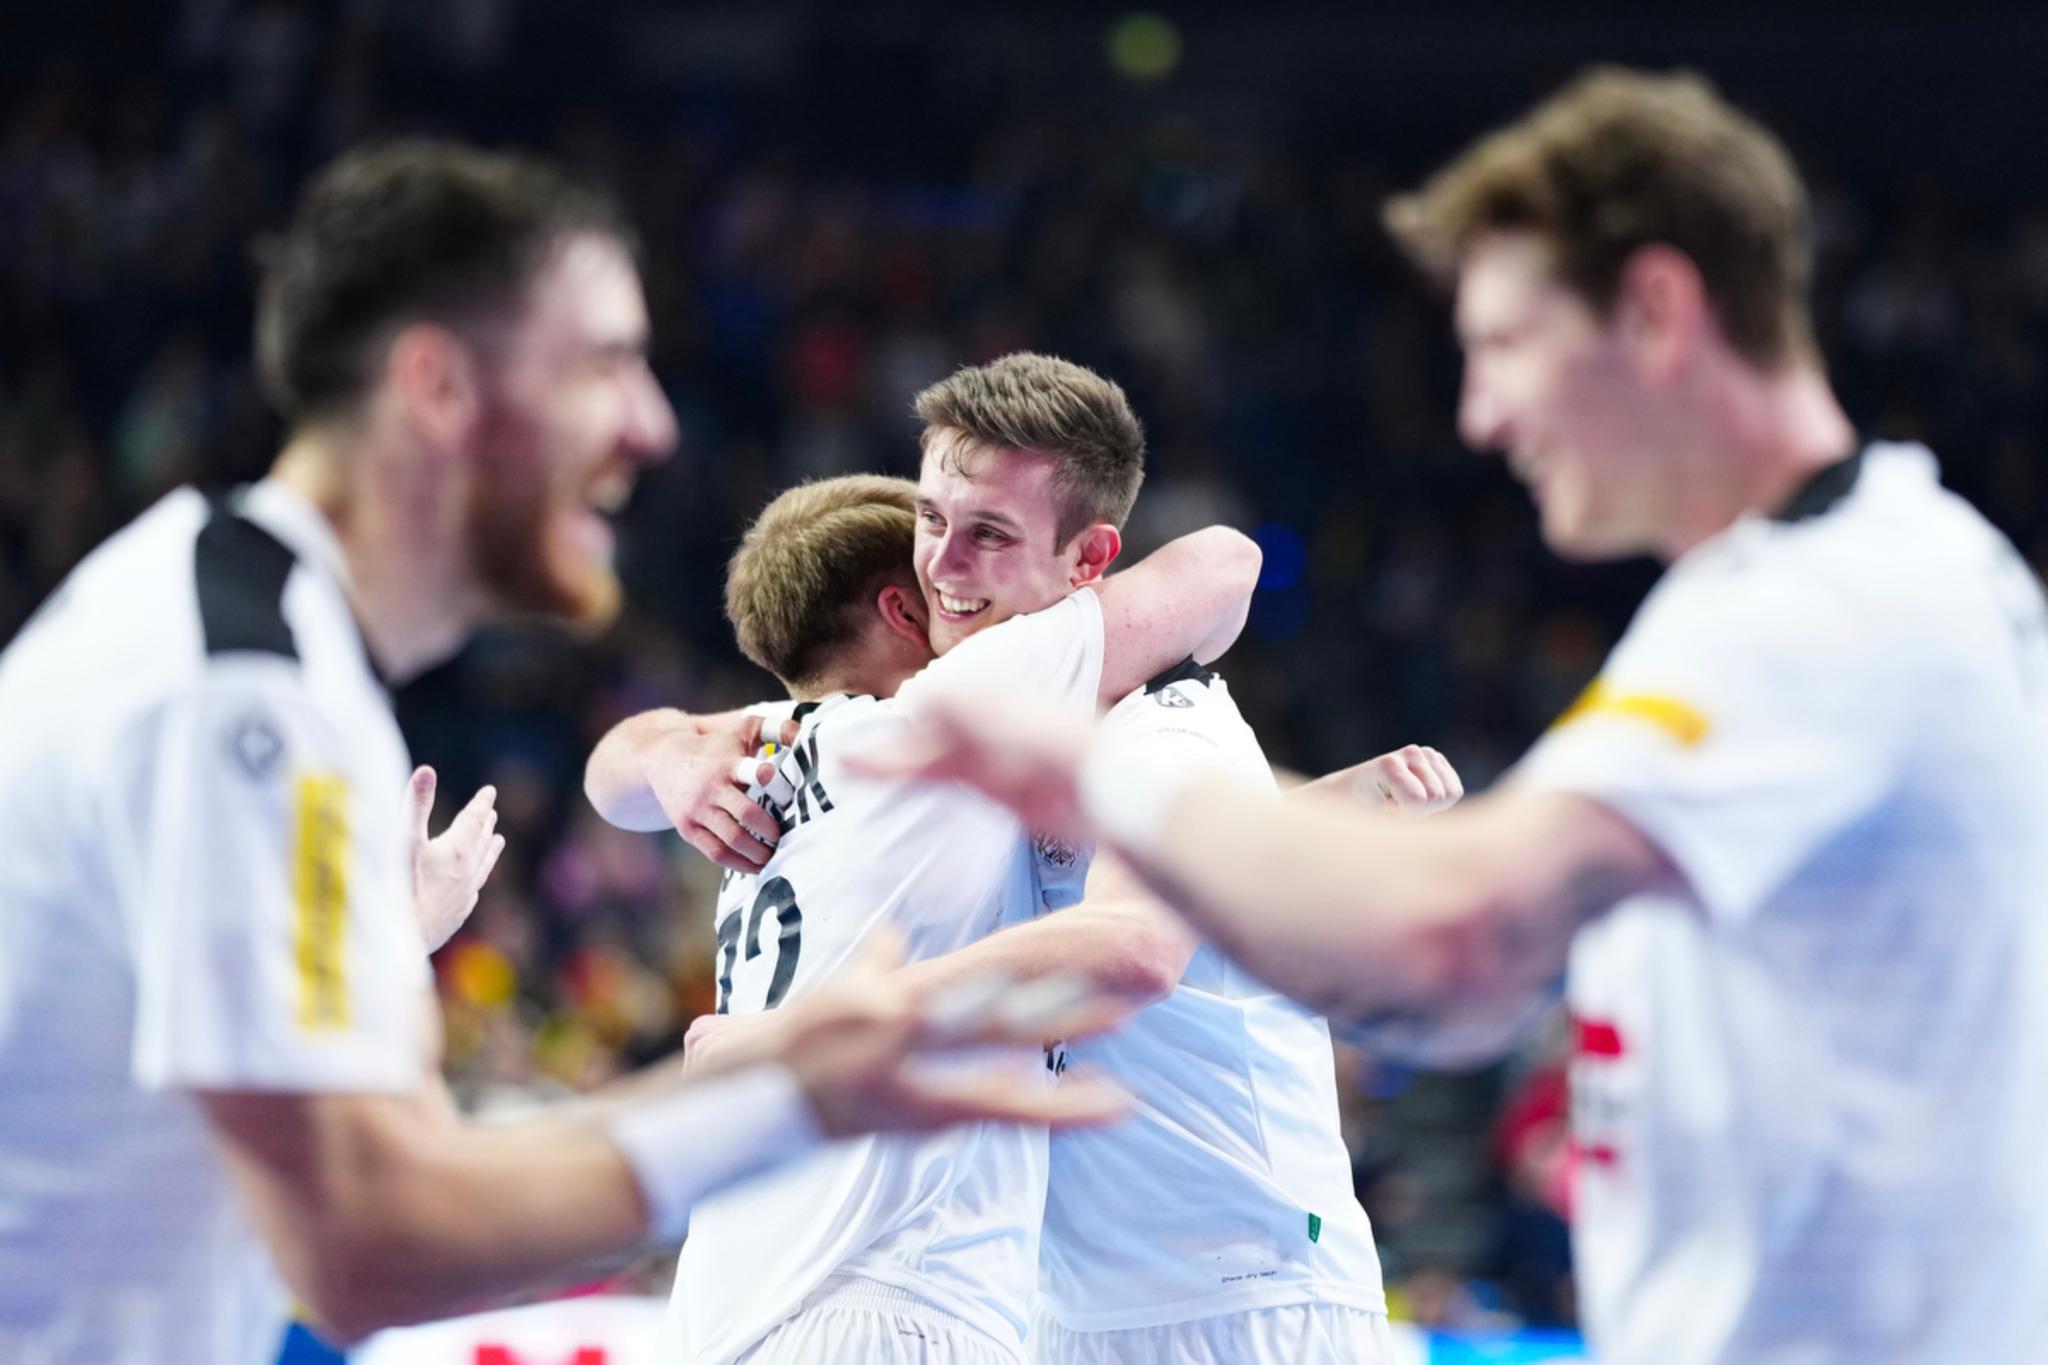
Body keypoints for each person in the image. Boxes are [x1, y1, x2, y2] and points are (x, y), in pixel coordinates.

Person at [858, 69, 2048, 1364]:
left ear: (1655, 308)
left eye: (1503, 345)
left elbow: (1455, 951)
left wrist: (1093, 779)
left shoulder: (1818, 609)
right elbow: (1471, 978)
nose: (1482, 414)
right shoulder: (1879, 565)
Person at [0, 141, 1121, 1365]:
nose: (650, 425)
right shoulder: (246, 702)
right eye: (602, 365)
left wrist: (378, 942)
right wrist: (784, 1095)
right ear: (437, 387)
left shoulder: (230, 632)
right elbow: (370, 1242)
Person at [595, 353, 1447, 1365]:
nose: (944, 568)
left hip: (1233, 1293)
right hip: (1036, 1303)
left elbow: (1134, 929)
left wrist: (660, 759)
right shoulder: (935, 732)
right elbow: (1217, 572)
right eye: (929, 523)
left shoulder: (1144, 718)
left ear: (1089, 563)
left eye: (987, 534)